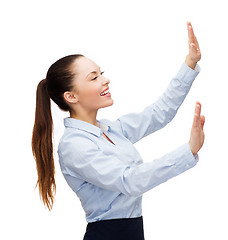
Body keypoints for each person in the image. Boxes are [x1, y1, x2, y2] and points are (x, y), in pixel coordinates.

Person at [31, 21, 205, 240]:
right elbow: (128, 181)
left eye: (101, 73)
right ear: (71, 97)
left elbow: (159, 113)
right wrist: (188, 150)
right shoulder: (74, 145)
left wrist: (190, 63)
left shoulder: (110, 129)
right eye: (94, 77)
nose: (105, 80)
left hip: (133, 232)